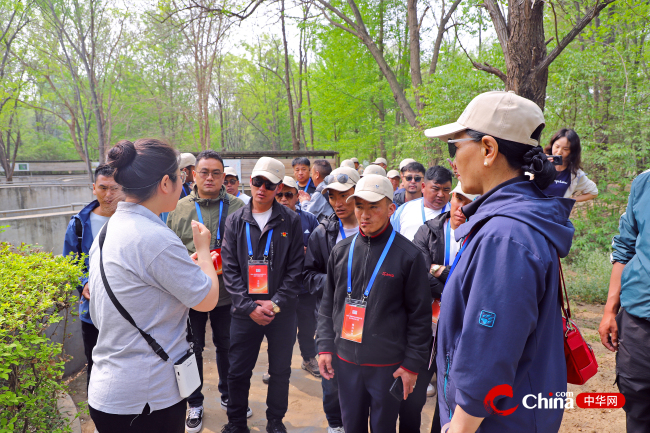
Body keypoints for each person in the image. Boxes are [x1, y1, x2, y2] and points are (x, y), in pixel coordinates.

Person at [424, 90, 574, 433]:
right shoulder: (514, 221)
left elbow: (488, 348)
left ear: (488, 149)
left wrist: (461, 425)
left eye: (455, 146)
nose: (453, 160)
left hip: (495, 422)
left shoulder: (505, 236)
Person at [87, 139, 220, 433]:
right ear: (164, 183)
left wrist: (185, 263)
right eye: (180, 176)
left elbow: (101, 314)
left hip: (107, 390)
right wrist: (204, 252)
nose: (184, 183)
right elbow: (207, 299)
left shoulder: (107, 232)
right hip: (146, 399)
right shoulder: (155, 238)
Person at [317, 174, 431, 433]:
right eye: (359, 206)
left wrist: (411, 364)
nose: (364, 215)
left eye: (373, 207)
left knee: (383, 427)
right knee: (351, 426)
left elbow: (420, 317)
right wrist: (324, 346)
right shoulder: (341, 251)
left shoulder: (408, 256)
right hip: (346, 361)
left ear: (391, 209)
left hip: (387, 366)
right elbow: (328, 305)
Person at [221, 157, 304, 433]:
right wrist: (248, 307)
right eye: (258, 182)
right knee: (238, 370)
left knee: (280, 371)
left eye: (269, 185)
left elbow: (295, 270)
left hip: (281, 312)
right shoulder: (234, 221)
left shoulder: (291, 221)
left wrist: (276, 304)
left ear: (278, 187)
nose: (262, 189)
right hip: (245, 311)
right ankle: (235, 422)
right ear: (251, 181)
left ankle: (275, 421)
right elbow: (230, 269)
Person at [166, 150, 248, 432]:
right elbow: (170, 250)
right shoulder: (179, 209)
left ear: (223, 176)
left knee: (228, 346)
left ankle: (229, 395)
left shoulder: (238, 207)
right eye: (204, 172)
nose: (210, 178)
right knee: (192, 348)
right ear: (193, 174)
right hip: (191, 295)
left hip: (228, 293)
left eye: (216, 173)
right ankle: (195, 403)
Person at [402, 183, 477, 433]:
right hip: (426, 327)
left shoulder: (480, 236)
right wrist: (454, 286)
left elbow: (477, 282)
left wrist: (440, 269)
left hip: (460, 329)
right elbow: (419, 275)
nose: (462, 207)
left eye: (470, 201)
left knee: (450, 398)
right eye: (459, 198)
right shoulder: (429, 230)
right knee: (412, 398)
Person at [304, 166, 360, 433]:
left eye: (344, 195)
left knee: (366, 377)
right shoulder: (322, 234)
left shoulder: (377, 231)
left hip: (372, 322)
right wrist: (335, 285)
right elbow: (307, 274)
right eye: (332, 197)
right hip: (332, 321)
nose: (338, 203)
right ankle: (335, 424)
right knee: (331, 377)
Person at [63, 164, 125, 390]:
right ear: (94, 188)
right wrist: (84, 282)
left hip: (126, 311)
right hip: (92, 312)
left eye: (114, 188)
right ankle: (98, 414)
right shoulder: (79, 224)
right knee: (95, 363)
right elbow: (71, 262)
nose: (108, 195)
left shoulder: (132, 221)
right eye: (103, 188)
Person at [598, 170, 650, 432]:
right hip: (638, 319)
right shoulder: (644, 183)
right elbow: (625, 247)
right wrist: (610, 310)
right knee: (637, 406)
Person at [274, 176, 320, 378]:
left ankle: (308, 358)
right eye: (280, 194)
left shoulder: (309, 219)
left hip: (304, 286)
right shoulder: (269, 218)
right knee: (281, 330)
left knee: (308, 326)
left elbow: (320, 249)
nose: (284, 199)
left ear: (297, 196)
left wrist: (306, 252)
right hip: (279, 287)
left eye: (288, 194)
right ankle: (276, 366)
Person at [391, 165, 452, 242]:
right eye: (435, 189)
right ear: (423, 187)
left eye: (446, 190)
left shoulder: (455, 214)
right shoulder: (404, 210)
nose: (441, 194)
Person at [543, 128, 598, 201]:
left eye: (565, 149)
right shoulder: (539, 161)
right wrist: (539, 165)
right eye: (557, 146)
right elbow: (527, 185)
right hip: (532, 210)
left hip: (555, 211)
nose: (559, 152)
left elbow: (593, 192)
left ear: (572, 152)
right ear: (552, 144)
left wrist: (568, 202)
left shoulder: (574, 173)